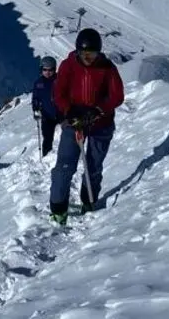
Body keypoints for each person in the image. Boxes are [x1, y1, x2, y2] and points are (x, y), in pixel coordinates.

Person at [49, 28, 125, 225]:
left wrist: (99, 109)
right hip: (75, 122)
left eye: (93, 54)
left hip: (101, 123)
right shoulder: (68, 66)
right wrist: (69, 111)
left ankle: (88, 201)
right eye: (84, 54)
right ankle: (58, 208)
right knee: (64, 166)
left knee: (93, 165)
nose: (88, 58)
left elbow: (117, 96)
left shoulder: (108, 68)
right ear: (77, 52)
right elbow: (59, 93)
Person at [31, 55, 60, 156]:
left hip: (61, 114)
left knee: (67, 136)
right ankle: (46, 156)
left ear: (54, 69)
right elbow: (35, 99)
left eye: (50, 69)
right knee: (47, 138)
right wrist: (35, 109)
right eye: (45, 69)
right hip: (47, 115)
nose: (47, 72)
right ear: (41, 70)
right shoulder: (38, 83)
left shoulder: (60, 80)